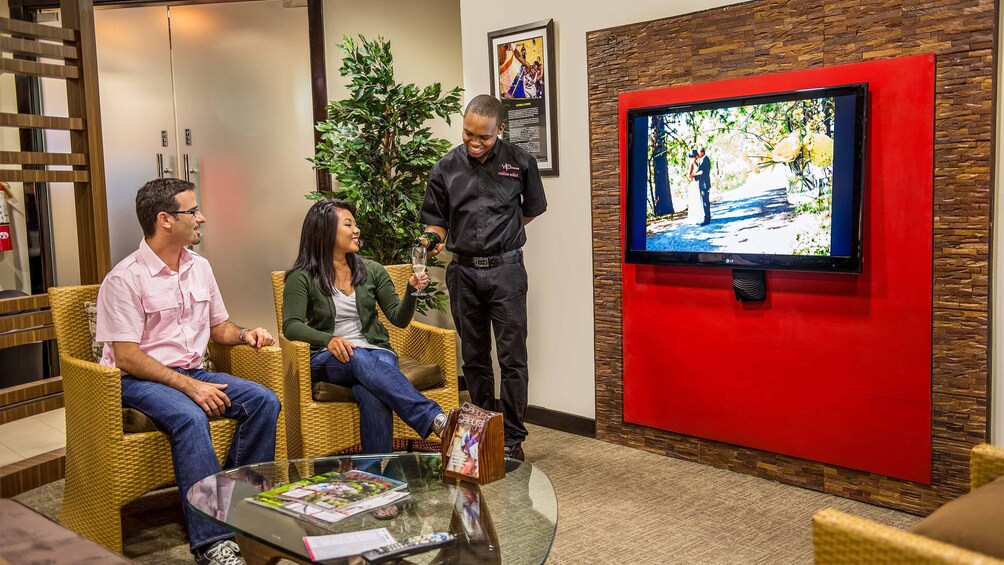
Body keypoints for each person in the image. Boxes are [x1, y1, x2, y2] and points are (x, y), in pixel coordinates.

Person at [95, 178, 280, 565]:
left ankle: (236, 507)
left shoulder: (200, 268)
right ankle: (213, 542)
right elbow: (127, 356)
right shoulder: (124, 278)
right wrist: (190, 387)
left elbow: (218, 328)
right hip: (137, 380)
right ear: (164, 219)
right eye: (192, 211)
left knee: (264, 401)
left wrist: (246, 334)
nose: (202, 217)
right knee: (189, 415)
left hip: (191, 370)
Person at [419, 94, 548, 462]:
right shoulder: (445, 168)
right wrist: (431, 240)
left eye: (484, 138)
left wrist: (500, 237)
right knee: (474, 358)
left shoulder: (520, 163)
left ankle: (511, 438)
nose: (475, 143)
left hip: (506, 271)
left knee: (512, 358)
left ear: (500, 130)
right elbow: (437, 222)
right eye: (468, 134)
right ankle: (482, 429)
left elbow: (530, 211)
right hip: (463, 272)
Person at [281, 199, 448, 455]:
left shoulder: (372, 270)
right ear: (325, 230)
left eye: (355, 224)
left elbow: (398, 318)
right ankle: (434, 418)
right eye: (348, 224)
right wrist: (328, 340)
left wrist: (412, 290)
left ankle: (374, 478)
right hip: (329, 357)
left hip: (377, 352)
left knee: (370, 389)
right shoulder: (301, 276)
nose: (357, 230)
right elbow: (291, 326)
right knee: (358, 357)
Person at [693, 147, 713, 225]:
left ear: (702, 152)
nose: (698, 155)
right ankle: (707, 217)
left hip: (704, 184)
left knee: (705, 201)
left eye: (699, 153)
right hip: (703, 183)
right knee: (705, 201)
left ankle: (706, 219)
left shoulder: (705, 160)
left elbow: (702, 172)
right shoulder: (704, 160)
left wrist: (694, 175)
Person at [685, 149, 703, 225]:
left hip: (699, 182)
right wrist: (696, 174)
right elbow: (689, 175)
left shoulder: (698, 163)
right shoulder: (692, 164)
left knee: (699, 199)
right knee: (695, 200)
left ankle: (700, 216)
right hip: (694, 183)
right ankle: (695, 217)